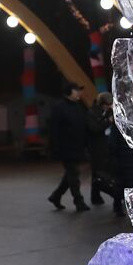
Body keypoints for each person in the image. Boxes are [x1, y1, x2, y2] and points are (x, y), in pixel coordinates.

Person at [47, 82, 93, 212]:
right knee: (74, 174)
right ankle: (78, 201)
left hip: (78, 146)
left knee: (70, 174)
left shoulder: (78, 107)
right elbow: (54, 129)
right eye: (76, 90)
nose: (79, 92)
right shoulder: (59, 107)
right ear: (69, 91)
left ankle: (56, 196)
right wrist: (55, 147)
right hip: (66, 147)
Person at [105, 108, 133, 219]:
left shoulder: (117, 125)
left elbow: (112, 143)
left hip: (124, 159)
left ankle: (119, 206)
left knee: (122, 184)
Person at [86, 92, 115, 206]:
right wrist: (108, 122)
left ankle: (101, 194)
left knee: (109, 170)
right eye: (107, 105)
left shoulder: (109, 111)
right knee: (97, 172)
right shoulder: (92, 113)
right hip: (97, 147)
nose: (108, 107)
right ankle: (96, 195)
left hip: (108, 145)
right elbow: (94, 129)